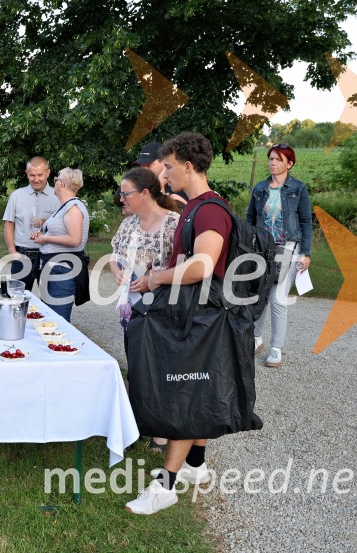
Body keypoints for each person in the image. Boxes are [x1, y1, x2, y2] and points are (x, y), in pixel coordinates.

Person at [125, 132, 231, 515]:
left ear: (188, 166)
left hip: (203, 317)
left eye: (168, 166)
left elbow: (202, 265)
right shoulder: (193, 207)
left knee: (184, 396)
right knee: (196, 392)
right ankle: (196, 467)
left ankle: (164, 486)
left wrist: (157, 278)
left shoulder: (210, 211)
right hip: (194, 312)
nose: (163, 173)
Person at [109, 167, 181, 453]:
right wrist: (117, 271)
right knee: (136, 365)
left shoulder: (174, 223)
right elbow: (115, 255)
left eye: (126, 194)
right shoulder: (128, 224)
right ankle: (138, 423)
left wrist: (155, 279)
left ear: (145, 193)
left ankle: (162, 432)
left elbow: (185, 264)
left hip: (163, 307)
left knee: (162, 368)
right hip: (132, 308)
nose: (121, 199)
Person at [246, 144, 312, 368]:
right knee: (258, 296)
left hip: (288, 248)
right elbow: (250, 218)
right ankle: (255, 340)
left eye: (278, 159)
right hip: (262, 249)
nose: (272, 163)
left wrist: (306, 253)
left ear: (289, 164)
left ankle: (276, 349)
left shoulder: (298, 189)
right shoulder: (260, 188)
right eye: (271, 159)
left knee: (277, 298)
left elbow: (305, 222)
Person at [31, 167, 89, 322]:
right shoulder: (64, 206)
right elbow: (59, 233)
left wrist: (46, 239)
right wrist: (43, 235)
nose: (54, 181)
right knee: (48, 317)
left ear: (61, 183)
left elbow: (75, 239)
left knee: (58, 320)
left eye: (57, 178)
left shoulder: (73, 207)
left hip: (63, 269)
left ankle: (60, 346)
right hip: (52, 267)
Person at [3, 156, 61, 291]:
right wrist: (12, 251)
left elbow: (64, 225)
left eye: (40, 175)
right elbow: (9, 224)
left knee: (50, 299)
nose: (36, 179)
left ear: (48, 172)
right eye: (32, 175)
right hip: (22, 255)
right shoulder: (16, 195)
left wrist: (46, 222)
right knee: (17, 298)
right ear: (26, 174)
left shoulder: (57, 196)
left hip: (49, 255)